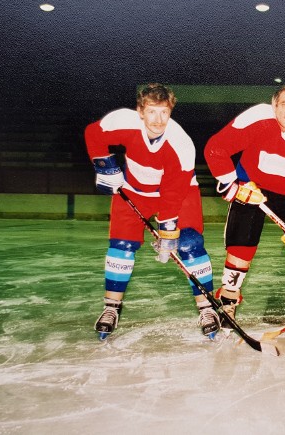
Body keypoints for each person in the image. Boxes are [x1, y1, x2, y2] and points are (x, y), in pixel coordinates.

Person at [84, 83, 219, 339]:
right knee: (121, 246)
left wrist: (167, 231)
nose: (158, 120)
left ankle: (207, 309)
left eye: (164, 112)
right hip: (134, 190)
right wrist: (104, 165)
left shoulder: (181, 145)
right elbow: (94, 134)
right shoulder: (124, 122)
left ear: (171, 112)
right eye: (152, 112)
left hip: (178, 193)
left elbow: (173, 191)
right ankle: (111, 308)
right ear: (140, 111)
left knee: (189, 244)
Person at [204, 84, 285, 335]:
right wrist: (232, 185)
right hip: (253, 188)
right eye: (284, 104)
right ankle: (229, 301)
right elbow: (216, 148)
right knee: (241, 243)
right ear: (274, 104)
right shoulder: (256, 118)